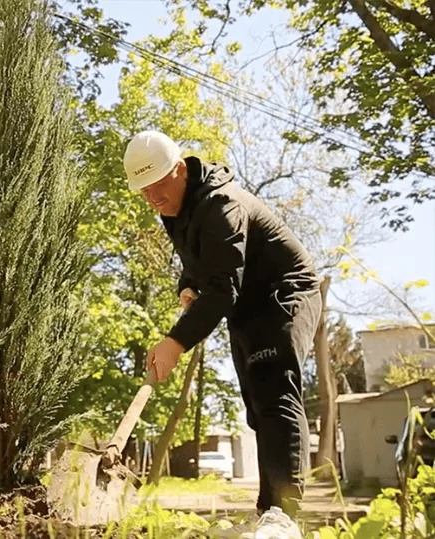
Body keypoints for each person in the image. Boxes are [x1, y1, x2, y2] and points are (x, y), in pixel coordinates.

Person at [123, 131, 322, 538]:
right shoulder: (176, 209)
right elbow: (203, 264)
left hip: (284, 293)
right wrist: (186, 285)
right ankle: (270, 510)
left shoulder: (222, 204)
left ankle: (285, 516)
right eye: (144, 191)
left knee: (274, 391)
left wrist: (175, 341)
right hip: (246, 305)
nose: (153, 199)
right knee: (255, 401)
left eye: (158, 186)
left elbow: (224, 284)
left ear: (179, 170)